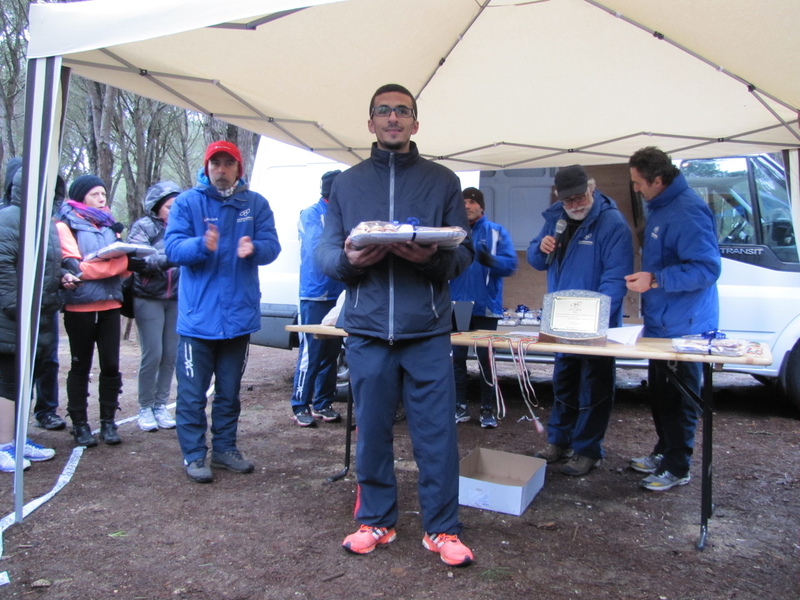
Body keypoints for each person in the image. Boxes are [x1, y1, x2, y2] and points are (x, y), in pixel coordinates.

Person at [317, 83, 475, 567]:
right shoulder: (346, 183)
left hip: (426, 329)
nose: (392, 118)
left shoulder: (442, 180)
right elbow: (325, 253)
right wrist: (349, 259)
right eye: (383, 111)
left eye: (402, 111)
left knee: (436, 435)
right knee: (371, 432)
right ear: (370, 123)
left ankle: (442, 530)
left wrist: (429, 259)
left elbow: (462, 253)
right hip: (366, 330)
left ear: (415, 123)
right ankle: (376, 522)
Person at [165, 140, 281, 484]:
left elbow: (272, 246)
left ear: (238, 168)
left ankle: (226, 449)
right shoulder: (188, 203)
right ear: (206, 167)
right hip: (198, 320)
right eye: (215, 163)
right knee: (192, 393)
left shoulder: (255, 203)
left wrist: (254, 247)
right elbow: (172, 248)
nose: (221, 169)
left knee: (229, 391)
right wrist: (201, 245)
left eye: (227, 163)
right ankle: (194, 454)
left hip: (238, 318)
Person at [625, 147, 720, 491]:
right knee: (661, 393)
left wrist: (656, 279)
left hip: (686, 327)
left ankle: (679, 466)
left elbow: (707, 269)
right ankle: (664, 451)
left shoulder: (687, 211)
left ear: (659, 180)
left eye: (638, 183)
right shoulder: (662, 206)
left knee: (680, 398)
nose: (635, 189)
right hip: (662, 322)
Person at [527, 165, 633, 476]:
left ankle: (587, 449)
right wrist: (540, 248)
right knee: (563, 383)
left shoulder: (612, 224)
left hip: (596, 327)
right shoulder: (556, 219)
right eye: (568, 200)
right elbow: (536, 260)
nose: (575, 204)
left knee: (594, 388)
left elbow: (615, 278)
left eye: (580, 196)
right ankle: (558, 442)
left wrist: (596, 320)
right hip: (561, 323)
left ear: (593, 188)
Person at [0, 169, 77, 471]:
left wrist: (63, 277)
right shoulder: (10, 218)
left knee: (25, 382)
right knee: (7, 382)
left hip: (39, 317)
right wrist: (15, 307)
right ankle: (4, 445)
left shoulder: (45, 223)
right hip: (12, 318)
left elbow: (43, 266)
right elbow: (3, 266)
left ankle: (18, 440)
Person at [57, 174, 130, 447]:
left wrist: (126, 264)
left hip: (111, 303)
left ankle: (108, 423)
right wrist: (117, 266)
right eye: (95, 194)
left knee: (111, 365)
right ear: (80, 197)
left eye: (103, 194)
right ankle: (79, 425)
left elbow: (124, 263)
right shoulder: (65, 226)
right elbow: (79, 269)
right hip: (80, 306)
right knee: (80, 365)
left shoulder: (111, 225)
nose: (102, 199)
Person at [450, 187, 517, 428]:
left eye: (471, 201)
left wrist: (492, 261)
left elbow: (511, 266)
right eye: (463, 202)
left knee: (486, 360)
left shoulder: (496, 232)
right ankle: (460, 406)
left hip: (486, 306)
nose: (466, 205)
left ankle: (487, 409)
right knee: (457, 358)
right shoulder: (453, 233)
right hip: (458, 305)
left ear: (481, 206)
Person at [290, 170, 345, 427]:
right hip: (314, 293)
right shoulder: (310, 213)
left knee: (332, 353)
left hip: (339, 293)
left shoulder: (344, 215)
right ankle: (300, 404)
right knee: (310, 353)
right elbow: (317, 248)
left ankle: (323, 402)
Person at [127, 181, 182, 432]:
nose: (174, 210)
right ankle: (144, 407)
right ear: (157, 207)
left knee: (170, 354)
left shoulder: (185, 227)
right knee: (153, 353)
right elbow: (139, 260)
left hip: (177, 299)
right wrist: (172, 258)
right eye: (170, 206)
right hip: (148, 296)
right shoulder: (143, 227)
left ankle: (161, 405)